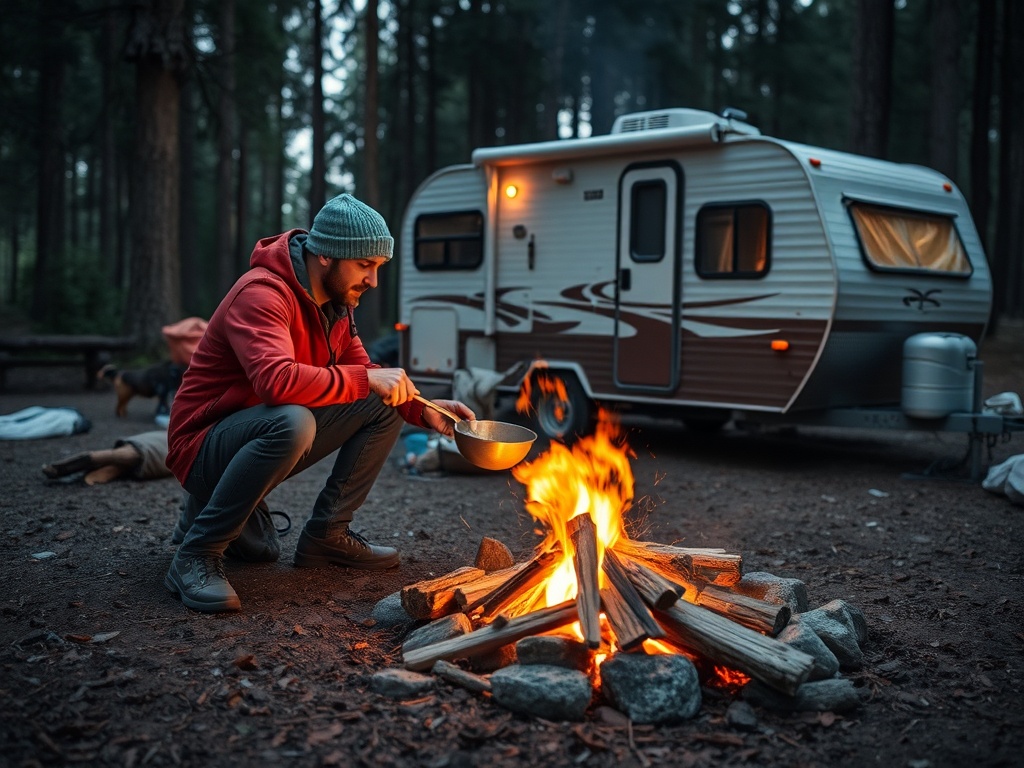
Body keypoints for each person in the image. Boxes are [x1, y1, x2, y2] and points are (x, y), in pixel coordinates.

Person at [163, 193, 475, 613]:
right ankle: (195, 555)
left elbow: (366, 378)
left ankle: (327, 536)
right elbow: (276, 382)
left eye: (379, 268)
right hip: (201, 447)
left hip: (250, 434)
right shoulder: (261, 294)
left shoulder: (336, 308)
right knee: (293, 422)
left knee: (379, 404)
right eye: (365, 266)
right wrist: (368, 378)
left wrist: (426, 409)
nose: (373, 281)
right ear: (326, 256)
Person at [42, 430, 172, 485]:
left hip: (154, 445)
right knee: (139, 454)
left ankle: (98, 461)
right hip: (156, 445)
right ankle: (97, 459)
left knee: (134, 457)